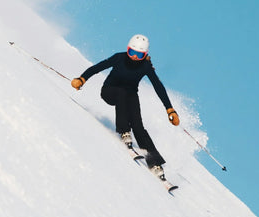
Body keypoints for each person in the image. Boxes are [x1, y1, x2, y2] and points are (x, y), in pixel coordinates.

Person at [71, 34, 179, 179]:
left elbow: (158, 86)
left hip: (130, 96)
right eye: (132, 52)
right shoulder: (119, 58)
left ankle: (154, 163)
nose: (134, 57)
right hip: (109, 91)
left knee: (138, 126)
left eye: (139, 55)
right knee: (122, 92)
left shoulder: (145, 66)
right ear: (127, 50)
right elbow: (97, 67)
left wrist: (169, 109)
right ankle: (124, 131)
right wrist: (82, 79)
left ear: (145, 55)